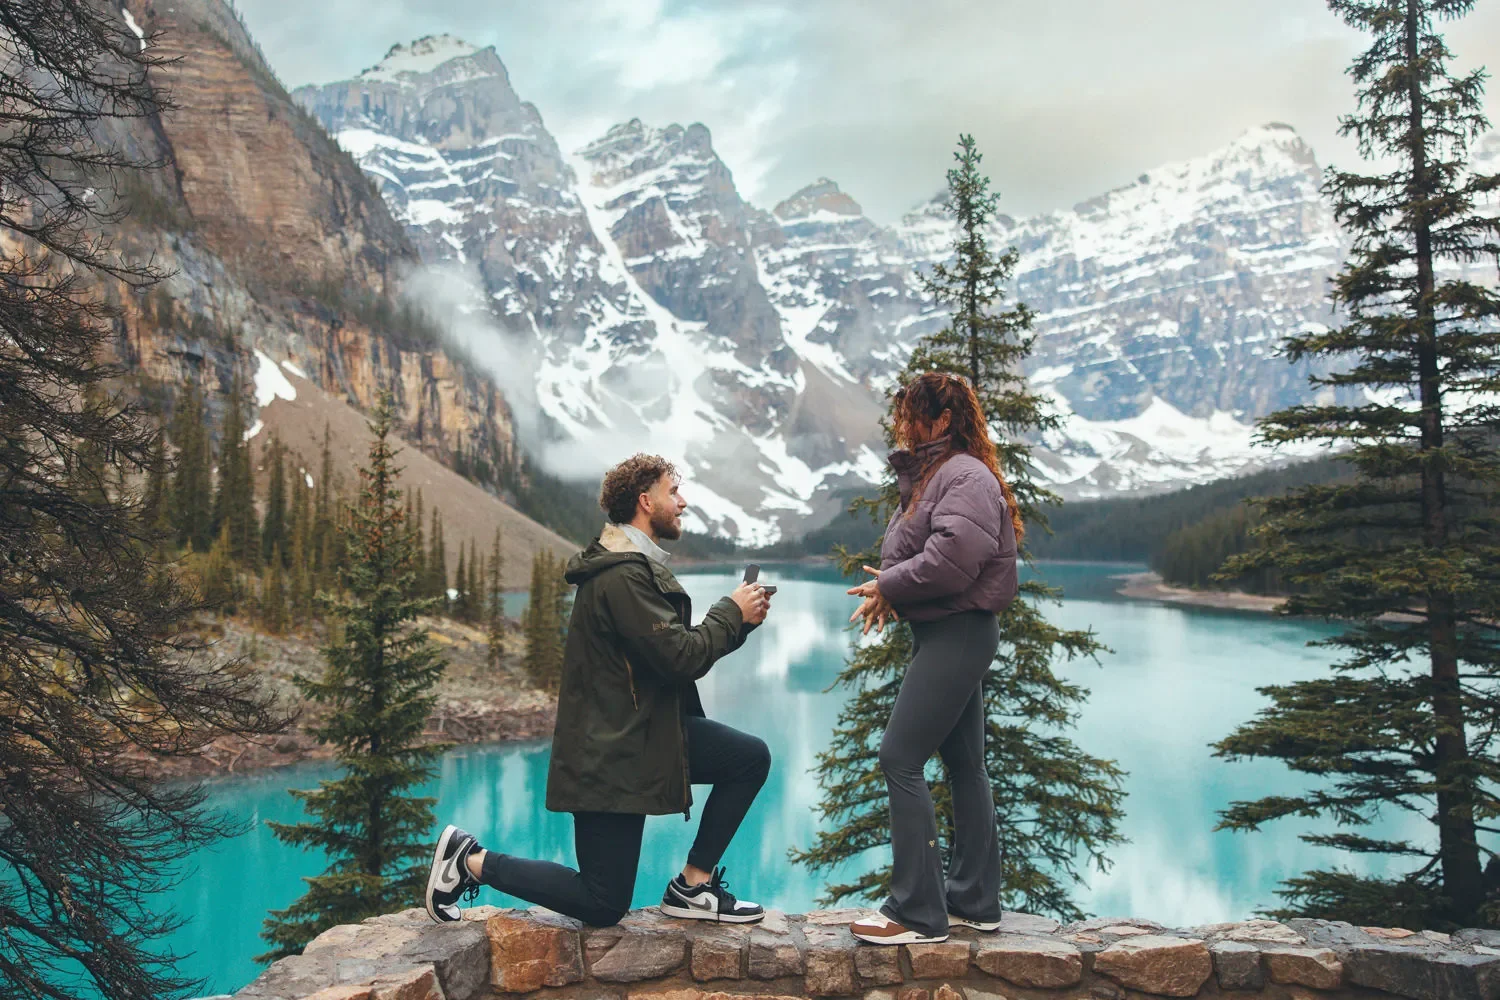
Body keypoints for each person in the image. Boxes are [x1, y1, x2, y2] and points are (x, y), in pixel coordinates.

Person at [424, 454, 773, 926]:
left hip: (643, 737)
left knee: (749, 759)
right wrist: (731, 613)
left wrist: (740, 619)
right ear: (646, 501)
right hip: (612, 754)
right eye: (674, 492)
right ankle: (469, 861)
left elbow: (671, 655)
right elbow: (679, 657)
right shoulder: (624, 576)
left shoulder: (632, 568)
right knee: (602, 902)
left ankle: (693, 885)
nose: (682, 502)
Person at [845, 371, 1021, 945]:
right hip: (951, 631)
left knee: (899, 756)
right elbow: (923, 551)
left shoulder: (964, 475)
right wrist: (892, 587)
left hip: (959, 633)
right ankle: (974, 903)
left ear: (941, 420)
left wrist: (891, 586)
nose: (902, 424)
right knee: (967, 765)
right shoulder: (940, 476)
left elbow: (953, 559)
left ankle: (917, 913)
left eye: (910, 414)